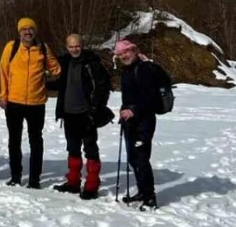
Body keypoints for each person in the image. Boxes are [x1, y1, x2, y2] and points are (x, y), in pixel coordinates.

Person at [0, 17, 62, 188]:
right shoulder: (11, 47)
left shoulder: (42, 47)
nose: (28, 32)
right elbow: (3, 71)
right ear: (19, 32)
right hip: (14, 102)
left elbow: (56, 69)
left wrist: (47, 76)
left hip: (36, 102)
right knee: (14, 140)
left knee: (36, 141)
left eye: (30, 29)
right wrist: (3, 95)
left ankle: (34, 179)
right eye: (24, 29)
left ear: (35, 31)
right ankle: (16, 176)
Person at [52, 33, 113, 199]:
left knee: (90, 149)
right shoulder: (64, 62)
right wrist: (41, 82)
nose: (74, 49)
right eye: (71, 46)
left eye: (77, 46)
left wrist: (95, 110)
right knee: (72, 148)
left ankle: (92, 186)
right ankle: (73, 183)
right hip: (69, 113)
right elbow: (61, 84)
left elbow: (103, 88)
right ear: (67, 47)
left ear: (82, 45)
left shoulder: (92, 63)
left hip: (87, 114)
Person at [116, 38, 160, 209]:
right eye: (120, 54)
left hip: (144, 121)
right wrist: (124, 111)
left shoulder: (144, 69)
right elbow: (129, 97)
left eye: (126, 51)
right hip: (130, 121)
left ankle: (150, 198)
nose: (124, 56)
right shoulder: (128, 70)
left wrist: (134, 111)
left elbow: (150, 97)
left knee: (141, 159)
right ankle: (142, 191)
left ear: (134, 50)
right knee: (134, 159)